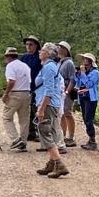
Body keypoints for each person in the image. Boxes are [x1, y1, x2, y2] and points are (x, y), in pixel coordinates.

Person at [34, 43, 70, 178]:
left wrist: (42, 109)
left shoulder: (49, 67)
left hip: (48, 104)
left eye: (42, 50)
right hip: (51, 103)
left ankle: (59, 163)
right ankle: (51, 163)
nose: (39, 52)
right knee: (49, 131)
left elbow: (48, 90)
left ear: (48, 53)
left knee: (44, 131)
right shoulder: (49, 66)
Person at [0, 46, 32, 150]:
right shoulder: (25, 66)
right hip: (26, 92)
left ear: (8, 56)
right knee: (24, 119)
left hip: (15, 93)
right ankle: (23, 142)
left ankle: (15, 139)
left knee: (7, 117)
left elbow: (11, 81)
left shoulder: (10, 66)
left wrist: (6, 94)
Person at [75, 53, 99, 151]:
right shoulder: (84, 71)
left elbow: (89, 84)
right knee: (85, 119)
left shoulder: (95, 73)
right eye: (84, 59)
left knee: (89, 119)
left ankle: (93, 141)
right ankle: (90, 140)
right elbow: (78, 84)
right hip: (82, 96)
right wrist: (78, 74)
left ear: (91, 61)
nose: (84, 61)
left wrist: (82, 74)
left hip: (91, 98)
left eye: (86, 59)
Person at [20, 35, 42, 143]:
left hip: (38, 88)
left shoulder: (40, 57)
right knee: (27, 111)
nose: (28, 46)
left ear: (36, 46)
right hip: (26, 88)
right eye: (27, 44)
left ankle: (39, 132)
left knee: (37, 111)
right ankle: (30, 132)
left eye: (31, 44)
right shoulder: (24, 57)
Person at [57, 41, 77, 148]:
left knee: (68, 113)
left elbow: (73, 80)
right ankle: (63, 136)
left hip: (66, 92)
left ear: (66, 50)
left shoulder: (69, 63)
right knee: (62, 114)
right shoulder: (60, 62)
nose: (58, 49)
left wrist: (67, 92)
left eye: (60, 47)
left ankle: (71, 137)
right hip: (60, 92)